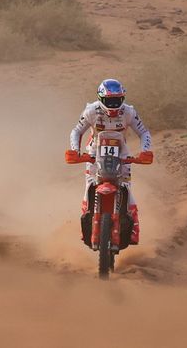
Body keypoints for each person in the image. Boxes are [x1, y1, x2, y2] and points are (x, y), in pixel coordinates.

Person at [66, 78, 153, 248]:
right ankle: (86, 223)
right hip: (94, 154)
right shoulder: (91, 111)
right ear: (101, 98)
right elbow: (76, 131)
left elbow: (144, 132)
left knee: (126, 188)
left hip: (122, 155)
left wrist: (144, 151)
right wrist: (76, 151)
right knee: (89, 187)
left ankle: (134, 227)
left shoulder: (129, 112)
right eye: (109, 101)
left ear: (123, 98)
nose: (113, 105)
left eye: (117, 100)